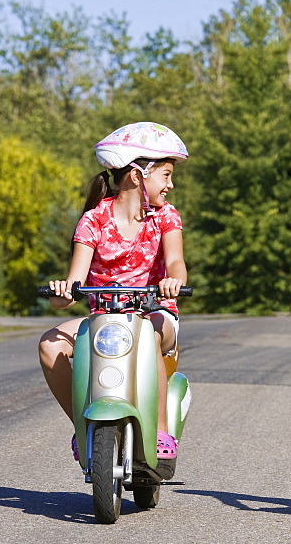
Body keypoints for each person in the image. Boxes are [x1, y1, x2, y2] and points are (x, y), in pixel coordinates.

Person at [38, 121, 189, 461]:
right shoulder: (93, 221)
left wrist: (173, 281)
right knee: (49, 344)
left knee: (147, 337)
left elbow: (176, 261)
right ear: (138, 175)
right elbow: (73, 284)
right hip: (104, 320)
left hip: (154, 314)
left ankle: (161, 432)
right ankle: (83, 427)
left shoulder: (165, 217)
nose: (171, 184)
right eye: (165, 175)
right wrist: (63, 292)